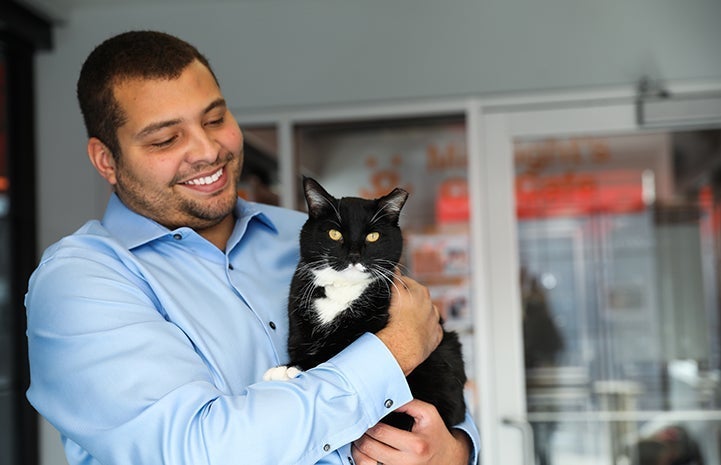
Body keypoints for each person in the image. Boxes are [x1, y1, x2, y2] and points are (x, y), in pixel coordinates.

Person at [25, 30, 480, 465]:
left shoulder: (309, 237)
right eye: (166, 138)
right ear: (107, 160)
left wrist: (456, 449)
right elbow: (197, 453)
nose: (207, 150)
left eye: (216, 119)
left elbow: (434, 373)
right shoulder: (79, 283)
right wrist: (390, 353)